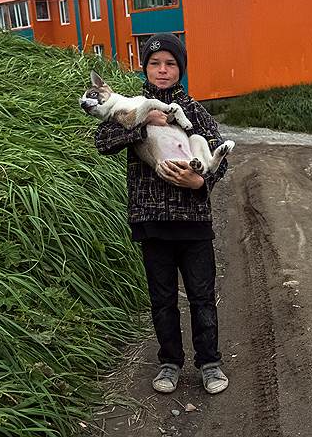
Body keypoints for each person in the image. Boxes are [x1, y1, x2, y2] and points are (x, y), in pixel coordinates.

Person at [94, 33, 229, 395]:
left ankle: (210, 363)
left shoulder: (194, 109)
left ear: (180, 69)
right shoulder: (129, 105)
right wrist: (144, 121)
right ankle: (169, 363)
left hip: (194, 222)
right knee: (162, 297)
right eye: (155, 63)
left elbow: (220, 156)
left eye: (170, 63)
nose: (163, 70)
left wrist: (199, 182)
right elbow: (103, 141)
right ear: (146, 68)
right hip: (151, 221)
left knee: (202, 295)